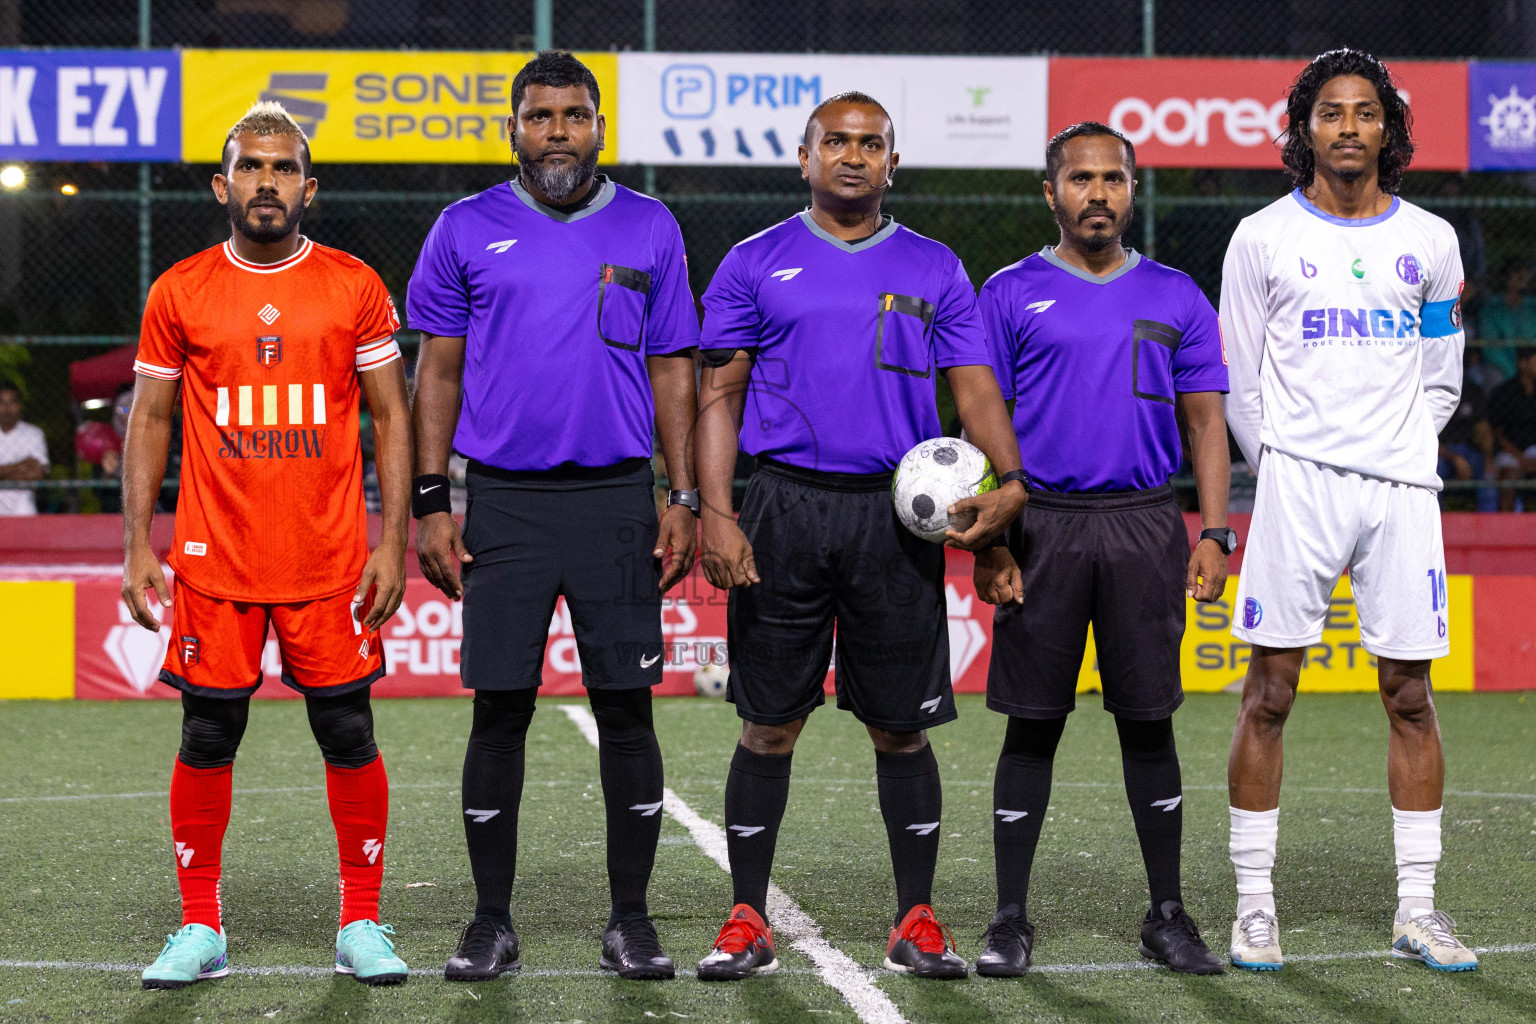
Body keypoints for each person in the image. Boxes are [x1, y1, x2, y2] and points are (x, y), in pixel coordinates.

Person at [693, 91, 1027, 981]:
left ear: (892, 161)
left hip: (896, 523)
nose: (852, 155)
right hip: (782, 510)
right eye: (834, 143)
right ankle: (745, 919)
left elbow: (975, 392)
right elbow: (718, 397)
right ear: (804, 159)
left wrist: (1010, 489)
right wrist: (717, 512)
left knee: (902, 731)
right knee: (768, 724)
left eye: (870, 143)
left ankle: (915, 917)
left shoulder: (935, 266)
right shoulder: (753, 262)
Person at [408, 51, 700, 982]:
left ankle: (632, 921)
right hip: (503, 502)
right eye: (540, 118)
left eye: (574, 116)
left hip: (618, 498)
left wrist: (682, 494)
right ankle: (490, 920)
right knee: (500, 710)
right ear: (514, 130)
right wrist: (431, 500)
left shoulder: (651, 227)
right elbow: (438, 374)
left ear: (599, 128)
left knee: (626, 709)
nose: (558, 133)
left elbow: (673, 373)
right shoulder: (463, 229)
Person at [123, 101, 414, 988]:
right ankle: (199, 927)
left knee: (347, 727)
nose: (266, 182)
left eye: (284, 168)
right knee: (208, 730)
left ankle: (360, 921)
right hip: (215, 560)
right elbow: (153, 418)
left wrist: (392, 542)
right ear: (222, 185)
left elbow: (392, 416)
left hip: (329, 559)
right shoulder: (178, 290)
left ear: (309, 188)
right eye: (250, 167)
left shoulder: (354, 284)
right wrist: (137, 544)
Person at [1220, 49, 1476, 972]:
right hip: (1298, 487)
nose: (1348, 128)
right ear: (1305, 129)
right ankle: (1256, 907)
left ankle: (1418, 908)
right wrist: (1283, 467)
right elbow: (1238, 382)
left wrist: (1397, 448)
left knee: (1410, 693)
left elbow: (1440, 375)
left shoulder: (1435, 242)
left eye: (1365, 113)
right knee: (1270, 692)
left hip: (1402, 490)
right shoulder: (1260, 238)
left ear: (1388, 129)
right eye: (1331, 113)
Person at [972, 122, 1231, 978]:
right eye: (1080, 179)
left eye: (1113, 179)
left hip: (1146, 526)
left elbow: (1206, 424)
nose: (1098, 193)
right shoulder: (1008, 292)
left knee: (1148, 724)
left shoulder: (1178, 294)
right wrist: (995, 544)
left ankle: (1167, 912)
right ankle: (1009, 917)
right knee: (1031, 728)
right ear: (1051, 193)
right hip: (1042, 524)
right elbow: (986, 423)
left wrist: (1217, 531)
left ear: (1131, 190)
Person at [1489, 347, 1536, 511]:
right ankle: (1505, 531)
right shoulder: (1505, 393)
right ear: (1523, 363)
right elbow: (1498, 434)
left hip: (1534, 450)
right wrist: (1521, 459)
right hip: (1511, 452)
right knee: (1507, 479)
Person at [1475, 263, 1534, 383]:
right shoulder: (1491, 309)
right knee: (1494, 374)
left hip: (1531, 363)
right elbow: (1490, 347)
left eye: (1524, 275)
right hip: (1504, 367)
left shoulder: (1532, 306)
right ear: (1506, 278)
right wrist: (1514, 371)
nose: (1523, 278)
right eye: (1518, 275)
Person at [0, 383, 48, 515]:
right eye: (2, 402)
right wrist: (22, 465)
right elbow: (29, 472)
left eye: (12, 402)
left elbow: (37, 474)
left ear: (20, 406)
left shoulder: (34, 433)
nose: (6, 409)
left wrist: (2, 474)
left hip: (23, 504)